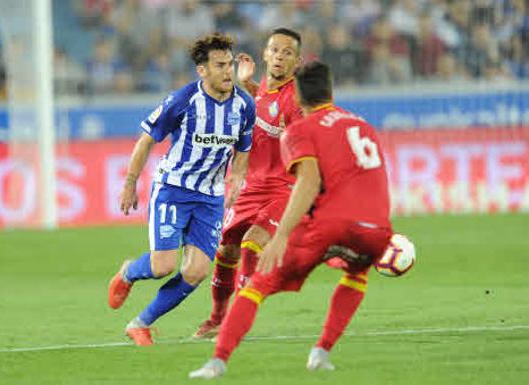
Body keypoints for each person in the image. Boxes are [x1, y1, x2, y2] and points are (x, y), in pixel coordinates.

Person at [190, 61, 408, 379]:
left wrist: (281, 236)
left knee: (258, 285)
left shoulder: (301, 129)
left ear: (299, 98)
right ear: (330, 90)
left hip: (330, 224)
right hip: (377, 229)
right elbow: (374, 178)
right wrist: (379, 230)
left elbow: (307, 183)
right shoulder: (363, 125)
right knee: (356, 275)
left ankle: (217, 361)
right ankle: (320, 353)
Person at [107, 32, 256, 346]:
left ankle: (140, 324)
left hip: (211, 198)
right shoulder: (183, 100)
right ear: (202, 70)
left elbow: (243, 150)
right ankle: (128, 273)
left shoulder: (244, 105)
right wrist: (130, 184)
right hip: (174, 188)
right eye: (219, 65)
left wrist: (236, 179)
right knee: (163, 266)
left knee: (196, 272)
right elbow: (146, 140)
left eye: (230, 64)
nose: (228, 71)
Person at [192, 27, 304, 339]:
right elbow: (264, 105)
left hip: (282, 188)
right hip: (250, 187)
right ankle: (216, 317)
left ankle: (237, 320)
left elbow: (299, 141)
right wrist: (247, 85)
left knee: (252, 243)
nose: (280, 56)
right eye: (275, 50)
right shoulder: (265, 88)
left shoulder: (298, 98)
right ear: (266, 54)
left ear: (297, 61)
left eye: (287, 52)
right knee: (226, 252)